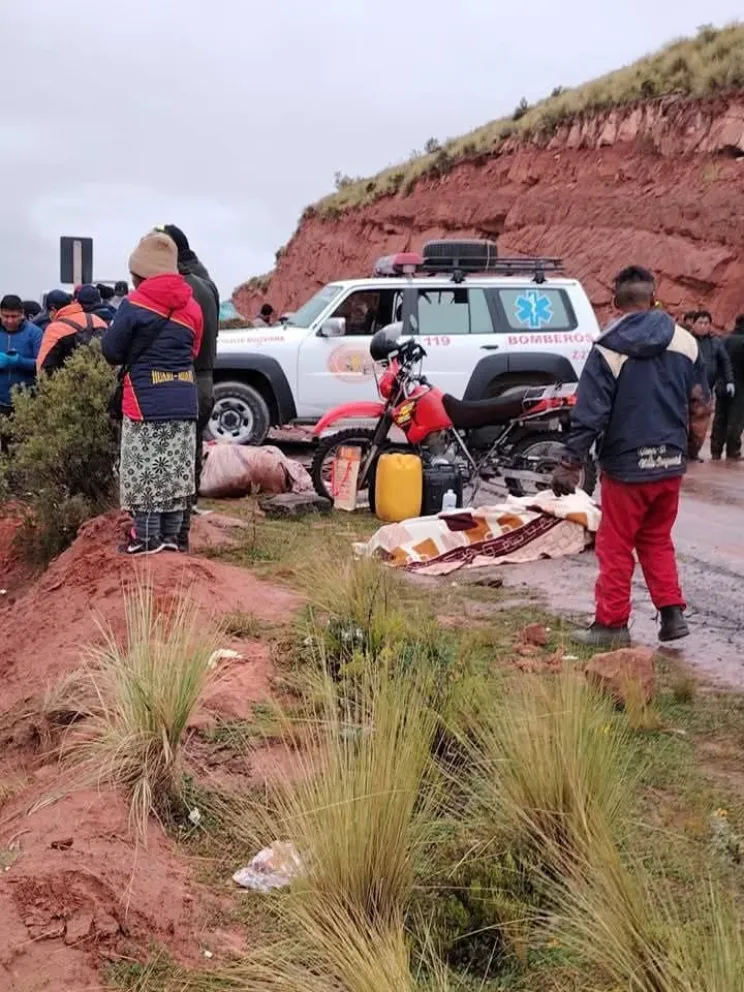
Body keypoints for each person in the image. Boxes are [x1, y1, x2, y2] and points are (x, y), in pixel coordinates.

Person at [552, 265, 709, 648]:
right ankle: (671, 614)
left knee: (616, 543)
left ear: (615, 302)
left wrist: (570, 463)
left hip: (626, 466)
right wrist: (688, 449)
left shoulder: (608, 347)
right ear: (654, 298)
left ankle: (611, 624)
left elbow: (590, 413)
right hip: (669, 464)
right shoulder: (686, 343)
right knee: (656, 538)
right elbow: (701, 404)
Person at [102, 231, 203, 555]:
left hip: (144, 401)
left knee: (144, 473)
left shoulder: (134, 304)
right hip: (184, 400)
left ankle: (146, 538)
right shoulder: (193, 307)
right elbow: (194, 351)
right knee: (174, 472)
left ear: (140, 272)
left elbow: (111, 351)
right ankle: (172, 537)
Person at [159, 224, 220, 551]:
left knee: (172, 455)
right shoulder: (206, 283)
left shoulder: (178, 287)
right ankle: (187, 514)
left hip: (184, 377)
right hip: (205, 378)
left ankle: (172, 533)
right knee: (190, 448)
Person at [688, 309, 734, 461]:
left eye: (706, 323)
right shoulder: (687, 340)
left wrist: (729, 381)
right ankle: (682, 451)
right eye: (700, 323)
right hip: (685, 388)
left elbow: (725, 362)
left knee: (700, 426)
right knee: (684, 422)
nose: (703, 326)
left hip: (706, 390)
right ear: (693, 324)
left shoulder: (716, 343)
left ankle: (693, 452)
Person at [37, 291, 107, 374]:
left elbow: (42, 366)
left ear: (53, 309)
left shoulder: (55, 329)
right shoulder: (97, 320)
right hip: (101, 378)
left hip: (69, 380)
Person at [0, 294, 44, 418]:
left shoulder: (35, 333)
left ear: (22, 314)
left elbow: (41, 364)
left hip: (25, 401)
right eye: (5, 316)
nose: (9, 321)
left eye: (14, 316)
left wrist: (19, 361)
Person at [711, 314, 744, 461]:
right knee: (736, 419)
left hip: (722, 384)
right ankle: (733, 450)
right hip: (740, 385)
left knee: (720, 418)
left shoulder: (724, 340)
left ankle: (716, 450)